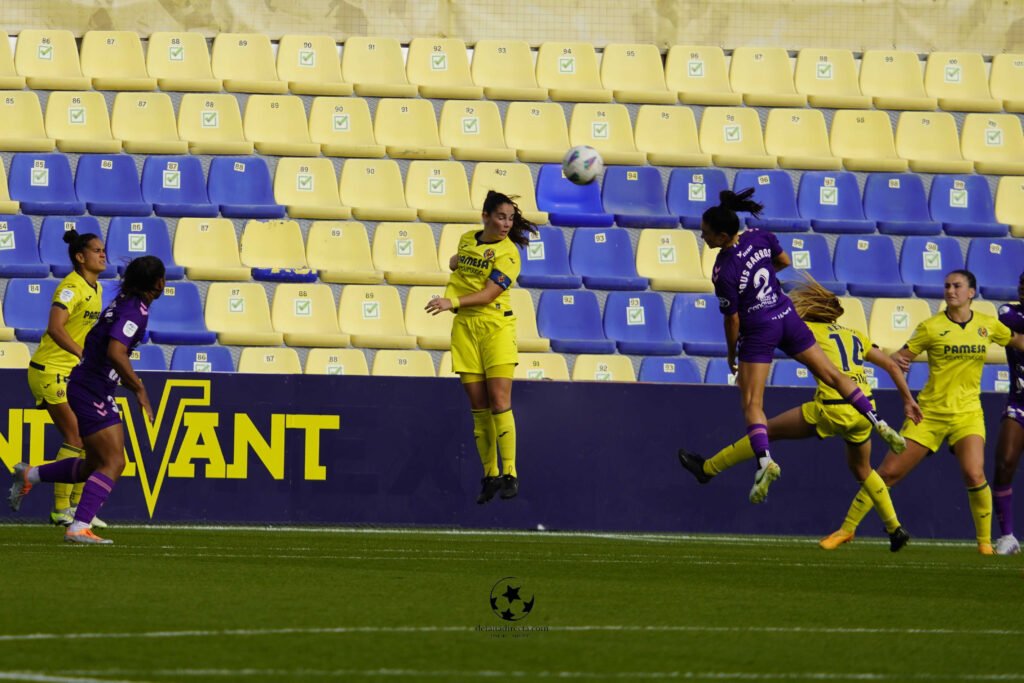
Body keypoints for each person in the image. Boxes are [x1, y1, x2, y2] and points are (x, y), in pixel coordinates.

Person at [692, 189, 907, 503]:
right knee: (832, 374)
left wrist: (731, 353)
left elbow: (732, 320)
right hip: (786, 314)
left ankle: (765, 461)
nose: (702, 236)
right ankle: (880, 422)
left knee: (752, 402)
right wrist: (760, 276)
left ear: (723, 236)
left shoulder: (722, 271)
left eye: (706, 232)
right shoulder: (758, 235)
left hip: (760, 327)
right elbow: (783, 261)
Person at [678, 278, 923, 551]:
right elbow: (891, 365)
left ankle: (708, 468)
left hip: (830, 407)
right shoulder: (855, 334)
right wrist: (908, 400)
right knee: (863, 469)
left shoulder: (805, 330)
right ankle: (894, 528)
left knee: (765, 431)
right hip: (864, 409)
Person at [820, 270, 1024, 554]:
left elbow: (1018, 342)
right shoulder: (931, 327)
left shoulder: (988, 325)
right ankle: (847, 529)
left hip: (968, 414)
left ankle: (984, 545)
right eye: (947, 286)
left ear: (971, 293)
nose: (951, 290)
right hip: (929, 413)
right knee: (889, 473)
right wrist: (905, 393)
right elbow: (900, 358)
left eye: (957, 286)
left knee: (974, 473)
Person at [8, 256, 165, 544]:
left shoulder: (124, 302)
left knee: (93, 464)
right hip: (93, 388)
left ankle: (30, 474)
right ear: (159, 283)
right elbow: (116, 352)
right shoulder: (135, 310)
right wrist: (139, 389)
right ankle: (78, 526)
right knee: (115, 461)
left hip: (91, 385)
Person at [425, 190, 537, 504]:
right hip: (465, 330)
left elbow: (488, 295)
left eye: (510, 218)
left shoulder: (509, 253)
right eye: (501, 217)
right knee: (478, 408)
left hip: (496, 327)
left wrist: (452, 301)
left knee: (499, 401)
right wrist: (456, 262)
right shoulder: (466, 238)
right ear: (485, 216)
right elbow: (459, 261)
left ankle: (511, 473)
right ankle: (490, 474)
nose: (506, 224)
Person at [26, 229, 109, 528]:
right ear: (80, 256)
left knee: (88, 440)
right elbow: (56, 328)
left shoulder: (96, 289)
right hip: (49, 369)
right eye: (96, 250)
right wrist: (81, 353)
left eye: (104, 250)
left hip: (71, 373)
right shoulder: (70, 288)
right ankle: (61, 508)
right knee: (75, 436)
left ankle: (75, 506)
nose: (103, 254)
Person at [993, 271, 1024, 555]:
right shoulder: (1009, 313)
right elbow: (1010, 329)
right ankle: (1007, 536)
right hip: (1020, 402)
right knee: (1004, 463)